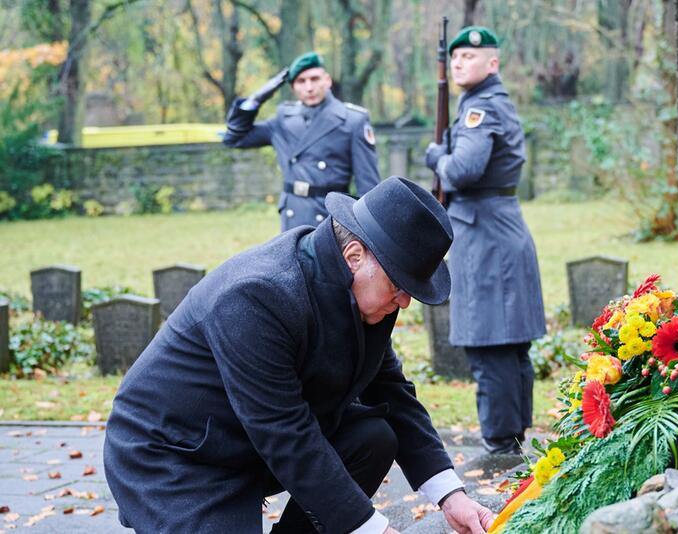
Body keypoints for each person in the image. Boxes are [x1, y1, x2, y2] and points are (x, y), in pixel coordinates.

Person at [103, 177, 494, 534]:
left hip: (248, 440)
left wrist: (451, 495)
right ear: (355, 256)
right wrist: (373, 529)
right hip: (177, 456)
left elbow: (392, 391)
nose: (405, 302)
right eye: (399, 285)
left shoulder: (361, 291)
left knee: (372, 436)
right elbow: (283, 430)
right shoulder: (257, 295)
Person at [424, 27, 546, 455]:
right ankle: (510, 439)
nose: (459, 62)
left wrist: (436, 154)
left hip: (485, 232)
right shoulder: (486, 103)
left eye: (469, 56)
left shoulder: (482, 109)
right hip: (496, 227)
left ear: (492, 63)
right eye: (454, 56)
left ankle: (500, 446)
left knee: (490, 342)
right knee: (507, 343)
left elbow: (462, 171)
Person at [223, 51, 380, 232]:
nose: (309, 87)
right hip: (291, 216)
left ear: (327, 80)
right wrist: (255, 101)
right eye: (301, 81)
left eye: (314, 79)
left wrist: (365, 234)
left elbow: (368, 186)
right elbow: (234, 138)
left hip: (330, 219)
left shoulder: (352, 120)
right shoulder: (283, 119)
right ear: (293, 88)